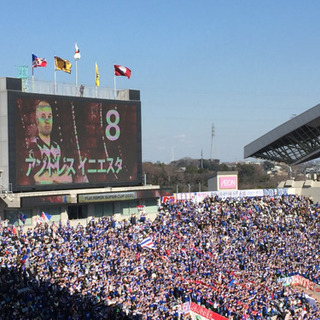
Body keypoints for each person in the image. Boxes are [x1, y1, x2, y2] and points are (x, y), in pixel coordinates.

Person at [27, 101, 72, 184]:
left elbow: (69, 177)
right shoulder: (33, 146)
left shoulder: (57, 147)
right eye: (43, 117)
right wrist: (59, 178)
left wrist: (52, 178)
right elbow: (38, 178)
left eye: (49, 116)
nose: (47, 120)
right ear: (37, 120)